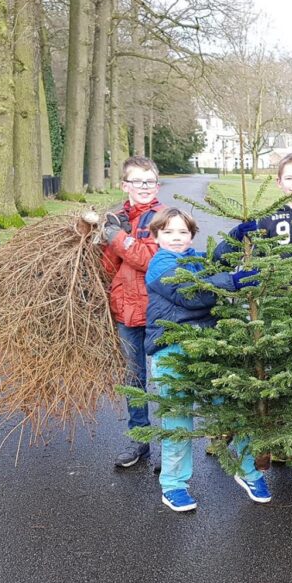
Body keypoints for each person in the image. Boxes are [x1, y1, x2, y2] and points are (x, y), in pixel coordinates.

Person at [143, 208, 269, 512]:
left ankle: (248, 470)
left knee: (231, 411)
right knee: (178, 419)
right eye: (169, 232)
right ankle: (173, 485)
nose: (176, 238)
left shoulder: (193, 257)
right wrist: (234, 282)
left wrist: (236, 238)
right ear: (156, 236)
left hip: (207, 347)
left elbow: (213, 263)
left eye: (183, 232)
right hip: (172, 350)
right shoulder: (160, 265)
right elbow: (193, 293)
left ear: (191, 235)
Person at [102, 156, 163, 468]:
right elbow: (110, 268)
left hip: (158, 310)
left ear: (157, 184)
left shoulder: (162, 217)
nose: (143, 187)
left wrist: (117, 237)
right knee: (133, 378)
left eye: (149, 181)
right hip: (125, 311)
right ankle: (140, 442)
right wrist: (106, 240)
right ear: (124, 185)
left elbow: (148, 259)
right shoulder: (116, 219)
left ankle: (172, 449)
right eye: (137, 181)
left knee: (166, 378)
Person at [213, 152, 292, 262]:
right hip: (276, 286)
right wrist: (240, 233)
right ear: (279, 182)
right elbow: (252, 253)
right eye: (289, 178)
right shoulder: (268, 216)